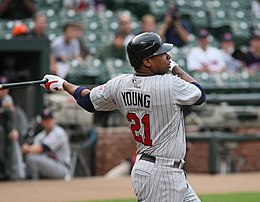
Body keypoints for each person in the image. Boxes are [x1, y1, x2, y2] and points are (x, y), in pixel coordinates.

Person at [41, 32, 206, 202]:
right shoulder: (169, 84)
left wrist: (63, 84)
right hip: (161, 174)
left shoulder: (120, 84)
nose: (168, 57)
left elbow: (88, 101)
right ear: (147, 61)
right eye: (162, 54)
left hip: (156, 169)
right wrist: (175, 68)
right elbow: (199, 94)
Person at [21, 108, 71, 179]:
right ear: (42, 122)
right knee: (27, 162)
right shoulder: (40, 136)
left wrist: (27, 148)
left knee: (31, 159)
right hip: (48, 165)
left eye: (49, 119)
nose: (48, 122)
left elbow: (41, 148)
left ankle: (33, 182)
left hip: (61, 167)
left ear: (54, 120)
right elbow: (34, 151)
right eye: (45, 120)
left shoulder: (59, 133)